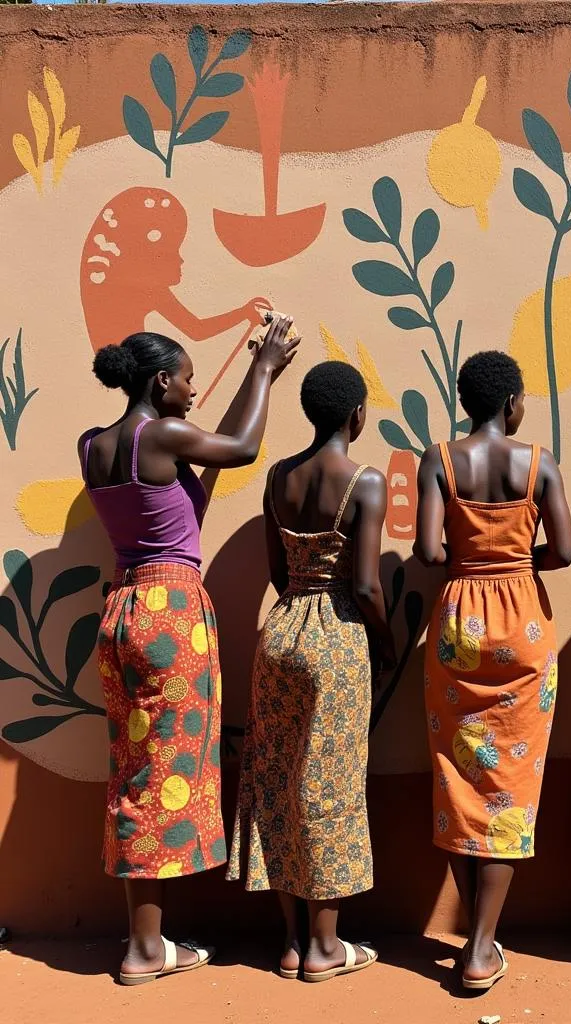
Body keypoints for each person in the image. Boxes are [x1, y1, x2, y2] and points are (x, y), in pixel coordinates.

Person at [79, 318, 300, 985]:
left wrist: (255, 372)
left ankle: (148, 936)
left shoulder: (95, 445)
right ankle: (145, 949)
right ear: (159, 382)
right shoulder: (160, 435)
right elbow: (240, 448)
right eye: (187, 378)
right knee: (162, 776)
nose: (195, 388)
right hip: (172, 617)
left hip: (123, 611)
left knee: (135, 769)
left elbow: (204, 460)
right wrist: (264, 370)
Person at [228, 361, 395, 983]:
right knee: (328, 782)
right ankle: (326, 945)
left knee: (274, 773)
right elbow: (368, 584)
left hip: (282, 629)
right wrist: (384, 638)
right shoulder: (366, 481)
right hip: (337, 639)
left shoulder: (277, 477)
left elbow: (278, 571)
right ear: (356, 416)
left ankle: (293, 941)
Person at [415, 351, 571, 990]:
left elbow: (429, 550)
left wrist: (473, 558)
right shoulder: (538, 463)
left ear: (465, 401)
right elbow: (562, 551)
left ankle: (474, 936)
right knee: (512, 779)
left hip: (458, 621)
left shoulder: (440, 460)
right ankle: (481, 946)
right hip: (524, 622)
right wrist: (512, 558)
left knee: (459, 776)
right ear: (512, 403)